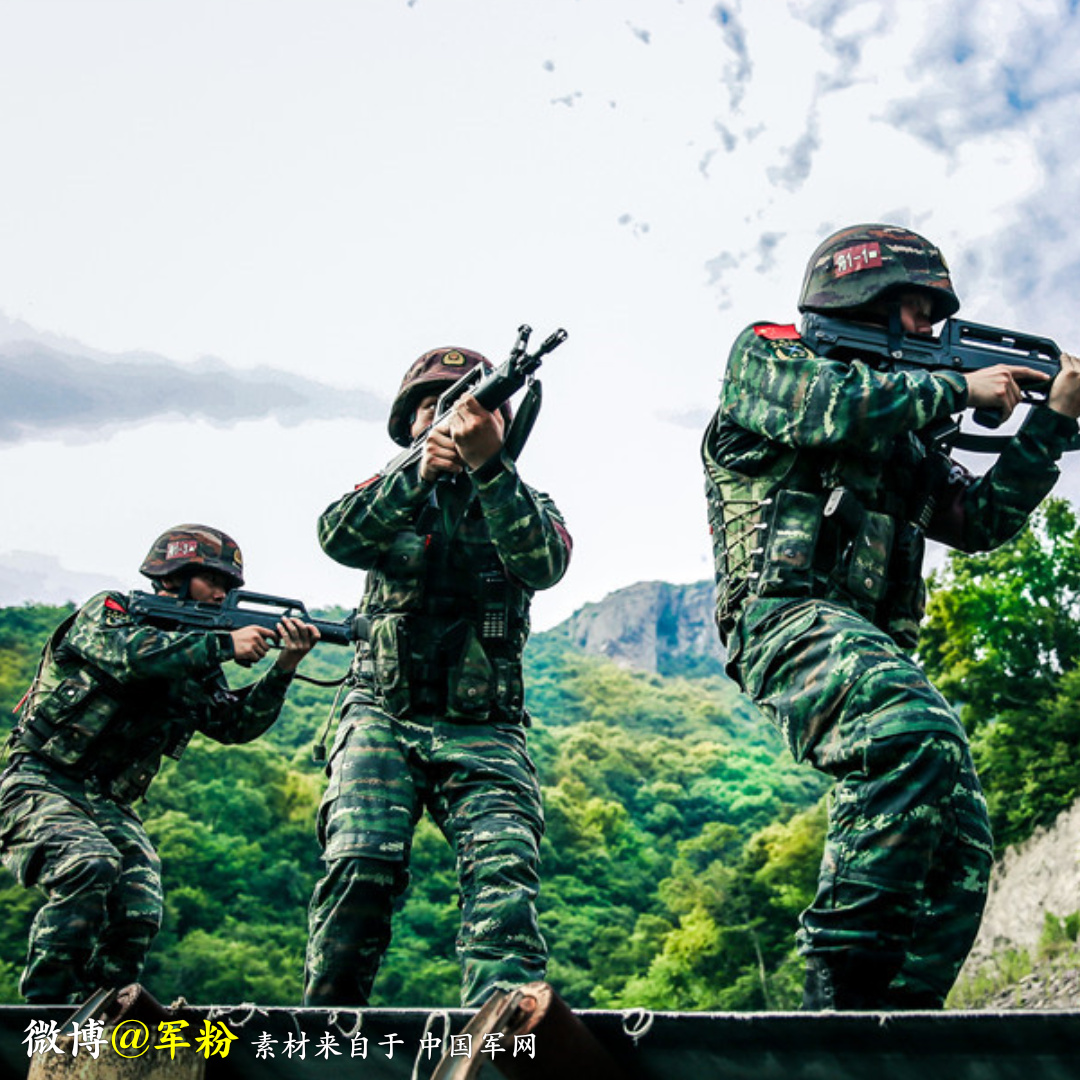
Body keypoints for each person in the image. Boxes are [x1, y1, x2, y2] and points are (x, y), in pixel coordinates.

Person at [701, 223, 1080, 1010]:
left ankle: (898, 1020)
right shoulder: (771, 359)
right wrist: (958, 387)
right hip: (784, 616)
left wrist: (1053, 422)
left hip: (869, 641)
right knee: (910, 735)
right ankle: (835, 1007)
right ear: (860, 301)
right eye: (916, 312)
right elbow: (824, 408)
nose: (931, 331)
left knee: (959, 830)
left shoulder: (902, 431)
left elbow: (978, 521)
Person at [305, 345, 572, 1008]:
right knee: (361, 867)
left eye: (468, 405)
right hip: (381, 714)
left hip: (483, 731)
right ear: (412, 422)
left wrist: (490, 470)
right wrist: (415, 474)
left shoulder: (527, 501)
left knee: (504, 872)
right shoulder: (391, 492)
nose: (450, 416)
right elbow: (336, 537)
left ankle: (503, 1035)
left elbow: (543, 562)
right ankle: (326, 1030)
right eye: (434, 404)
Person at [0, 524, 320, 1004]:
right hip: (38, 779)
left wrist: (284, 668)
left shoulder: (194, 658)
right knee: (88, 863)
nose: (222, 594)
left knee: (138, 904)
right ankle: (44, 1014)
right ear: (175, 574)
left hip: (106, 799)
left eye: (229, 586)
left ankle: (103, 1015)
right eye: (213, 580)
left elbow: (233, 725)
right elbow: (132, 658)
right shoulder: (112, 613)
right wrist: (223, 645)